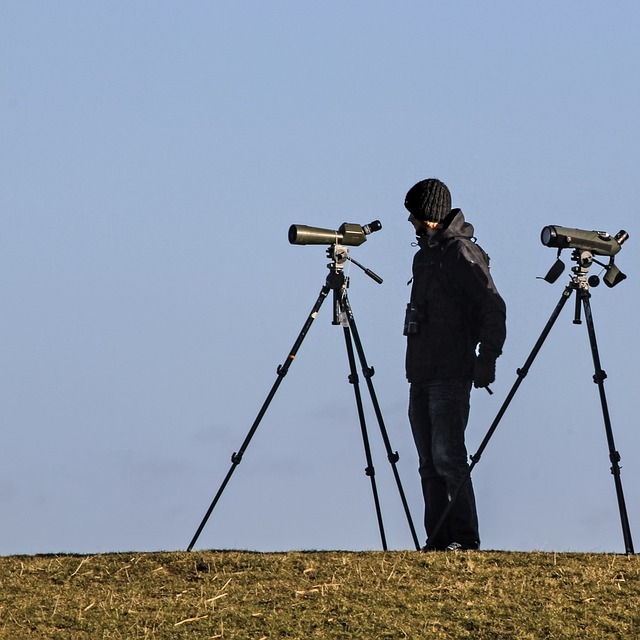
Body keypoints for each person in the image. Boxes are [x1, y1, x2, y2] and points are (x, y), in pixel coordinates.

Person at [403, 178, 506, 551]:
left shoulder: (462, 253)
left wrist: (487, 359)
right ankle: (437, 541)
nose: (411, 222)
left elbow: (492, 307)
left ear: (428, 216)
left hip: (450, 373)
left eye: (414, 215)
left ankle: (465, 540)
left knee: (448, 457)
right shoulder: (424, 255)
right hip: (421, 373)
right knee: (428, 463)